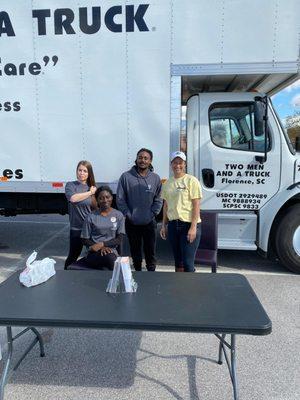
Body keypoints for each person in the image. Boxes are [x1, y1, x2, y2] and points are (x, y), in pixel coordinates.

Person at [116, 148, 163, 271]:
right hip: (132, 222)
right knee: (135, 252)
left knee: (150, 252)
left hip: (149, 222)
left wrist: (152, 214)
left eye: (146, 158)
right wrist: (128, 214)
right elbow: (120, 199)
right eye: (140, 157)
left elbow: (159, 199)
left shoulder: (155, 178)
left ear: (150, 161)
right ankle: (137, 273)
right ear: (136, 159)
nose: (142, 160)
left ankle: (151, 275)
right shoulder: (126, 177)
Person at [160, 151, 202, 272]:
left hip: (188, 225)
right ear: (171, 164)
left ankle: (191, 290)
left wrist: (193, 227)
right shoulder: (167, 183)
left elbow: (196, 206)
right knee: (178, 262)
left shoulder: (191, 181)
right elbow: (166, 206)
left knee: (188, 264)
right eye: (175, 163)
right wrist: (163, 225)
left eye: (180, 163)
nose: (177, 165)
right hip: (173, 225)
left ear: (185, 164)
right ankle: (178, 288)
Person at [72, 186, 125, 270]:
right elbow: (84, 239)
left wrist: (103, 244)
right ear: (97, 200)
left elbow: (119, 239)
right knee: (110, 260)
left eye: (108, 197)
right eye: (101, 198)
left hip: (111, 251)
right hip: (94, 251)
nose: (105, 200)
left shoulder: (119, 215)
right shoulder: (91, 216)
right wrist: (99, 247)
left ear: (112, 197)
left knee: (111, 259)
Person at [64, 160, 97, 268]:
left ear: (89, 174)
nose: (81, 173)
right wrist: (90, 193)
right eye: (80, 170)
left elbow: (96, 209)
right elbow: (73, 199)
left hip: (90, 229)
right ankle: (65, 276)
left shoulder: (92, 187)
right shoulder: (71, 185)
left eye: (85, 171)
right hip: (76, 229)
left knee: (94, 255)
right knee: (73, 256)